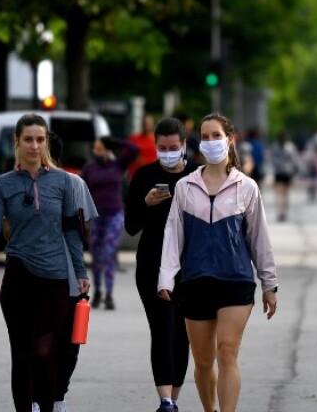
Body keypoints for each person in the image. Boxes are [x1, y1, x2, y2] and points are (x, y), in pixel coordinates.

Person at [159, 113, 278, 412]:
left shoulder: (246, 187)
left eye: (216, 135)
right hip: (196, 281)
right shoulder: (186, 187)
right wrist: (166, 277)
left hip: (235, 280)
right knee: (202, 361)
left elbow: (259, 238)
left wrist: (269, 283)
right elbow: (173, 236)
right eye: (205, 136)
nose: (210, 141)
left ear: (230, 140)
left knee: (227, 352)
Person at [0, 114, 90, 412]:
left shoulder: (64, 182)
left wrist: (80, 271)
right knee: (22, 354)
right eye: (28, 139)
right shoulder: (3, 185)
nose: (34, 146)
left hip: (54, 279)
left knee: (46, 349)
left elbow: (71, 231)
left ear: (46, 142)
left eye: (40, 139)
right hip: (18, 276)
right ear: (17, 143)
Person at [125, 117, 200, 412]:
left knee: (183, 335)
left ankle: (175, 398)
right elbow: (130, 226)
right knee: (163, 330)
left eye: (173, 147)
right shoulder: (144, 176)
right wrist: (146, 203)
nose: (167, 152)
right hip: (152, 268)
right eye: (162, 147)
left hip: (190, 268)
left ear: (183, 146)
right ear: (155, 146)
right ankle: (165, 400)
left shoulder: (197, 175)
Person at [49, 133, 99, 412]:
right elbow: (86, 230)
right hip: (53, 279)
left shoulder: (74, 183)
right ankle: (54, 397)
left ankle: (50, 397)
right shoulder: (74, 183)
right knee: (65, 344)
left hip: (68, 278)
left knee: (63, 341)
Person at [80, 135, 140, 309]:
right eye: (95, 149)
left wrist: (115, 141)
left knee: (108, 253)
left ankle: (109, 294)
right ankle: (98, 290)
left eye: (100, 148)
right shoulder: (89, 168)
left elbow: (135, 150)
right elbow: (81, 190)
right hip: (95, 217)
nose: (97, 152)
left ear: (107, 150)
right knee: (96, 256)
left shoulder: (117, 165)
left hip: (114, 215)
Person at [268, 131, 302, 221]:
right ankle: (280, 211)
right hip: (279, 173)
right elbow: (272, 160)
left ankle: (284, 211)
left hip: (287, 173)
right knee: (279, 194)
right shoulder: (276, 147)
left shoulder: (290, 147)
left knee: (285, 194)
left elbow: (294, 160)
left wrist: (294, 170)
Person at [128, 114, 159, 179]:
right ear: (141, 124)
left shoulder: (158, 140)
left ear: (153, 124)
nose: (146, 125)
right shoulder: (133, 139)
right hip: (136, 175)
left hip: (153, 176)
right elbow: (128, 156)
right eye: (145, 123)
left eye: (148, 123)